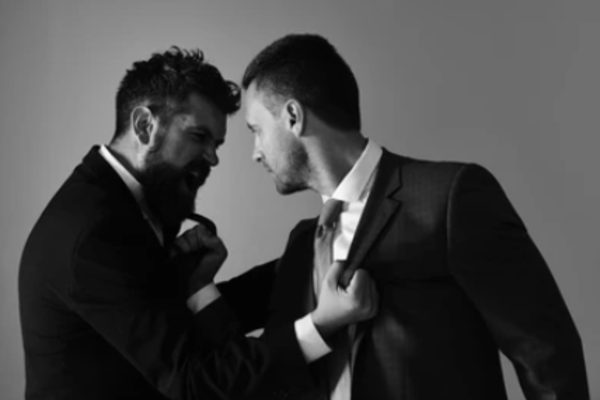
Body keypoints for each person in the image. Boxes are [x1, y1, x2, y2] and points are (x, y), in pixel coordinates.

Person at [241, 33, 590, 400]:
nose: (255, 152)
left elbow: (545, 351)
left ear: (293, 117)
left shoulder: (448, 196)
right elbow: (271, 368)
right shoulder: (301, 244)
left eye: (256, 130)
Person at [18, 46, 378, 400]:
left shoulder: (134, 199)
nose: (213, 158)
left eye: (216, 143)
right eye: (198, 136)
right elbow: (193, 382)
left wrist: (318, 258)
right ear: (144, 126)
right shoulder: (93, 232)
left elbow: (163, 322)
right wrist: (321, 325)